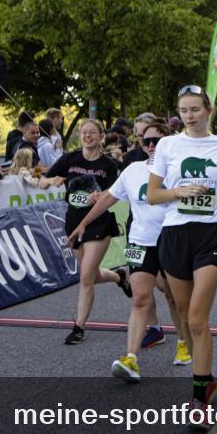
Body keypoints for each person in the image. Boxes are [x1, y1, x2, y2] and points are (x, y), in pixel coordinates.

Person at [145, 85, 217, 429]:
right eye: (184, 110)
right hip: (175, 234)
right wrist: (179, 190)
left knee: (197, 319)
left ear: (208, 110)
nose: (190, 116)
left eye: (195, 109)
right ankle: (207, 378)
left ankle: (199, 398)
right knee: (184, 315)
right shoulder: (167, 145)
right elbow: (152, 195)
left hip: (211, 235)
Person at [69, 121, 192, 381]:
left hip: (171, 240)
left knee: (171, 296)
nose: (150, 146)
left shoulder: (181, 170)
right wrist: (83, 224)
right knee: (139, 299)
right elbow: (106, 199)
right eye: (145, 141)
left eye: (156, 141)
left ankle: (184, 342)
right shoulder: (133, 170)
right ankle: (131, 359)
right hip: (139, 241)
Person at [40, 119, 131, 345]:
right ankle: (119, 276)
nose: (87, 136)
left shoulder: (108, 165)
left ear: (101, 136)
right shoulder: (70, 159)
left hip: (99, 223)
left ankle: (78, 327)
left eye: (92, 133)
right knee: (90, 275)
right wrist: (53, 179)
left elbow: (112, 194)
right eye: (84, 132)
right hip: (73, 222)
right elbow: (41, 182)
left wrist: (99, 196)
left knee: (86, 278)